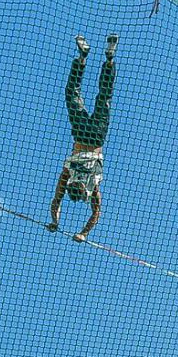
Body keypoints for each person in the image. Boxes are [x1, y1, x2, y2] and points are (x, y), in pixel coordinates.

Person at [48, 33, 118, 242]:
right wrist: (83, 233)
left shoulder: (71, 179)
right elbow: (96, 213)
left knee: (76, 94)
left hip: (84, 134)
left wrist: (55, 222)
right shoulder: (91, 186)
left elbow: (56, 202)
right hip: (94, 136)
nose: (75, 184)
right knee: (102, 97)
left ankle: (84, 57)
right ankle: (108, 59)